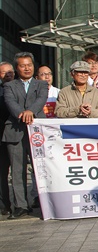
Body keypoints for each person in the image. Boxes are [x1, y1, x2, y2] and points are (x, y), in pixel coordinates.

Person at [2, 52, 48, 219]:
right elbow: (10, 103)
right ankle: (21, 205)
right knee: (17, 170)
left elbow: (41, 100)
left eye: (29, 65)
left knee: (40, 168)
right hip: (15, 130)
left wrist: (31, 111)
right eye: (23, 65)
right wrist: (23, 113)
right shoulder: (9, 86)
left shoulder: (41, 84)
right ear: (17, 68)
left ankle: (44, 202)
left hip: (37, 130)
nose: (27, 68)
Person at [0, 62, 13, 215]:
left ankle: (20, 203)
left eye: (10, 72)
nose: (7, 75)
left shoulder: (20, 88)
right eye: (4, 73)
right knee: (2, 172)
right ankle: (4, 204)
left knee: (18, 172)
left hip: (18, 134)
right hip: (1, 136)